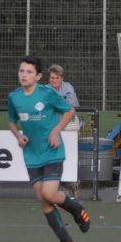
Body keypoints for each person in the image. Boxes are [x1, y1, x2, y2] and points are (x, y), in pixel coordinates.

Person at [7, 56, 91, 242]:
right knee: (43, 199)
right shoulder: (14, 97)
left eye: (29, 72)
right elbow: (11, 121)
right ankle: (65, 239)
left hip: (52, 151)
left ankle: (77, 208)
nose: (24, 75)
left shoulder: (47, 93)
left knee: (49, 193)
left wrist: (56, 131)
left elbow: (69, 111)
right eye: (21, 71)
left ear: (38, 76)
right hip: (31, 155)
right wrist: (19, 136)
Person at [47, 64, 80, 198]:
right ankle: (61, 188)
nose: (54, 80)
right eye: (52, 78)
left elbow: (70, 108)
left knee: (70, 155)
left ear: (62, 78)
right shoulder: (45, 89)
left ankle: (74, 186)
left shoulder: (68, 87)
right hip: (53, 125)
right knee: (54, 157)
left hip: (69, 123)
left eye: (57, 78)